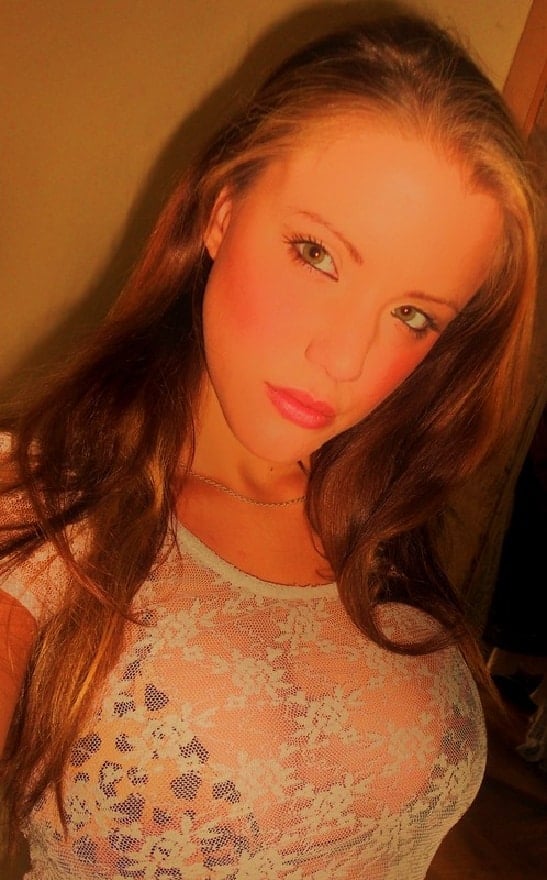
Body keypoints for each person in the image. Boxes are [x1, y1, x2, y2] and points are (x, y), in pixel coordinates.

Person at [0, 11, 540, 879]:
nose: (345, 358)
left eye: (411, 314)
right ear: (220, 211)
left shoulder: (374, 512)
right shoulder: (42, 518)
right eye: (315, 254)